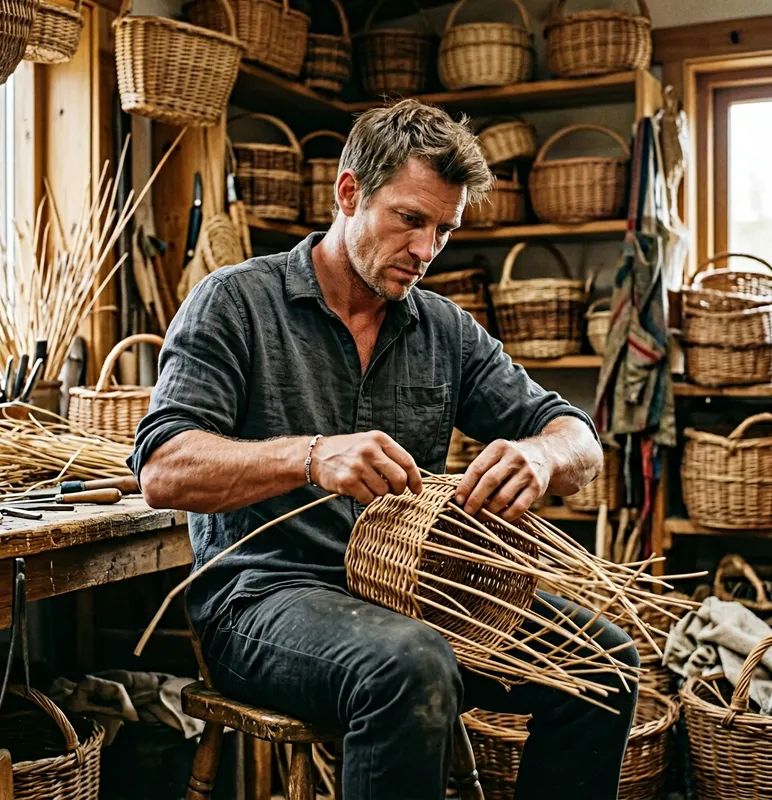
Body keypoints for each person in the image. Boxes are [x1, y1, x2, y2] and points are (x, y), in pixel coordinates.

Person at [129, 99, 639, 800]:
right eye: (410, 219)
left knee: (601, 661)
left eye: (445, 230)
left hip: (408, 591)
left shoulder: (444, 330)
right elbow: (162, 470)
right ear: (349, 193)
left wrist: (544, 458)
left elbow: (577, 436)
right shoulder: (235, 303)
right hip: (260, 601)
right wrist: (310, 456)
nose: (427, 251)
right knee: (412, 665)